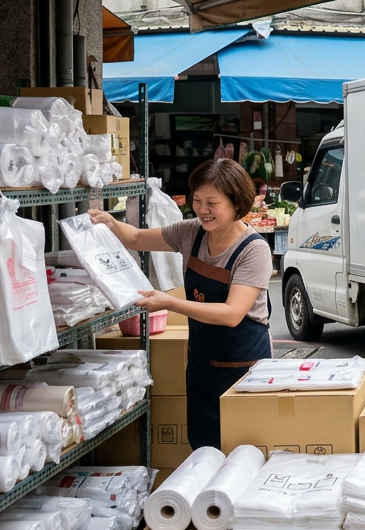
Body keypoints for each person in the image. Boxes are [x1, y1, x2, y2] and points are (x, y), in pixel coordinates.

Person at [88, 158, 273, 449]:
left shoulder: (254, 250)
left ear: (237, 203)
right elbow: (136, 238)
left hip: (244, 366)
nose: (202, 210)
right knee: (202, 445)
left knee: (242, 450)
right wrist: (111, 223)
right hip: (201, 364)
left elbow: (232, 314)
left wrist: (168, 303)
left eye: (212, 203)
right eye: (197, 200)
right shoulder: (191, 232)